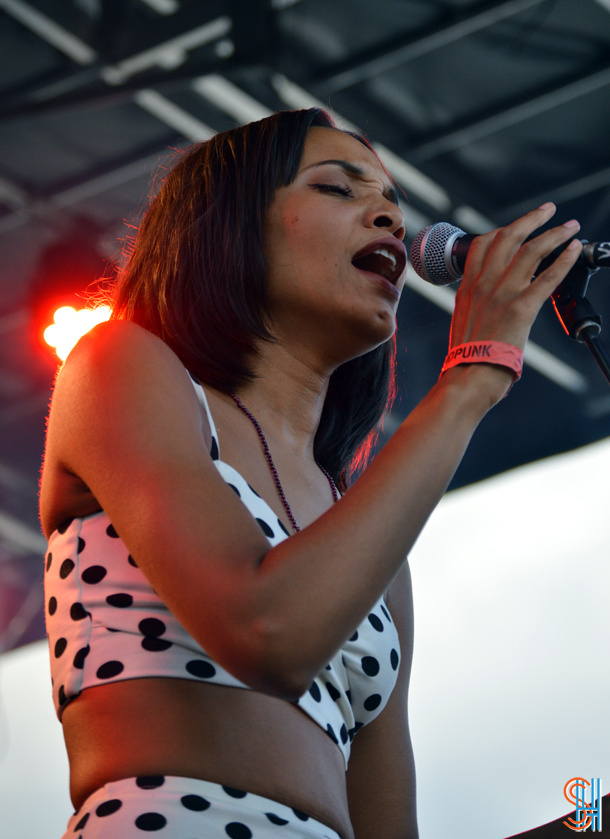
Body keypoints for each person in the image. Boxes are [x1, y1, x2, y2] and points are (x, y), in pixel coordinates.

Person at [39, 107, 583, 839]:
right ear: (228, 226)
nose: (389, 216)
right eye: (339, 189)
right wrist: (475, 374)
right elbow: (267, 631)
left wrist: (589, 823)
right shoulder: (120, 366)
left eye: (393, 200)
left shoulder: (363, 538)